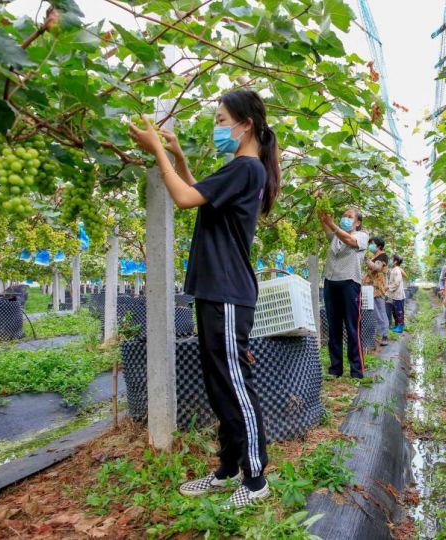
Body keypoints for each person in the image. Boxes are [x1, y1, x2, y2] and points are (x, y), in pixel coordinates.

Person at [128, 89, 279, 509]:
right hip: (217, 291)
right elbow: (198, 192)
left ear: (245, 124)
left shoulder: (247, 168)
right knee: (219, 386)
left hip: (229, 294)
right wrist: (178, 156)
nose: (216, 127)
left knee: (235, 385)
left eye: (220, 119)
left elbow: (183, 198)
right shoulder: (238, 170)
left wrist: (157, 147)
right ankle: (228, 469)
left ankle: (255, 478)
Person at [320, 207, 368, 379]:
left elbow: (348, 239)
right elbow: (327, 227)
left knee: (352, 327)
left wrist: (332, 224)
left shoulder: (362, 236)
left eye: (350, 217)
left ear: (357, 222)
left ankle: (357, 371)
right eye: (344, 216)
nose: (345, 219)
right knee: (334, 327)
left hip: (349, 283)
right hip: (330, 282)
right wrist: (323, 215)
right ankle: (335, 369)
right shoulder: (335, 237)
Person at [363, 237, 390, 348]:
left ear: (379, 245)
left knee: (380, 312)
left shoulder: (383, 256)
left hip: (377, 288)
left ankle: (384, 336)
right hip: (370, 288)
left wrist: (366, 260)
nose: (370, 246)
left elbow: (377, 268)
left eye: (372, 244)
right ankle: (376, 335)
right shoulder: (374, 256)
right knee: (372, 311)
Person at [387, 254, 406, 333]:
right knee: (395, 311)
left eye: (391, 259)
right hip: (395, 295)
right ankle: (397, 325)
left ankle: (400, 327)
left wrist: (388, 288)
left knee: (399, 311)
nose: (390, 261)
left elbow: (396, 283)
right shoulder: (394, 269)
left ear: (395, 261)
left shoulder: (397, 270)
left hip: (398, 295)